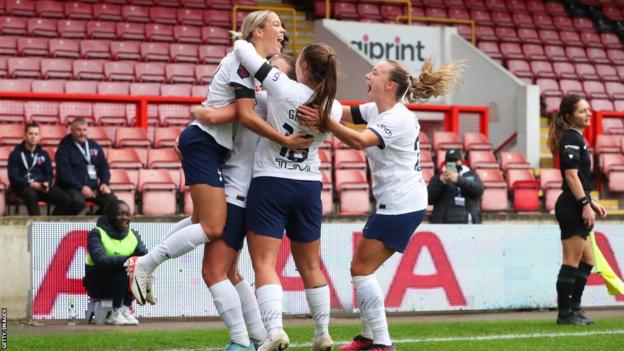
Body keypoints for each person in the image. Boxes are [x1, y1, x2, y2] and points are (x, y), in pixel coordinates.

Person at [124, 11, 310, 351]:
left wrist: (209, 113)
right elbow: (241, 112)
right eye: (277, 24)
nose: (283, 30)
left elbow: (239, 112)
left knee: (211, 240)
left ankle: (251, 339)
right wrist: (209, 116)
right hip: (215, 155)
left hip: (227, 168)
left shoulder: (267, 88)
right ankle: (146, 265)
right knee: (214, 245)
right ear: (257, 32)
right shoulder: (250, 73)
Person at [299, 58, 462, 351]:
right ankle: (370, 337)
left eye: (375, 72)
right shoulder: (377, 109)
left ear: (390, 85)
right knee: (362, 268)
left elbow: (360, 141)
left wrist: (325, 122)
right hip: (397, 201)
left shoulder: (396, 118)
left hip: (402, 203)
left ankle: (382, 343)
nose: (367, 75)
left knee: (361, 268)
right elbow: (344, 112)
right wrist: (307, 91)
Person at [232, 38, 342, 351]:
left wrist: (249, 35)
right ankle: (322, 335)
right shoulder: (331, 105)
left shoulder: (284, 87)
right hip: (308, 186)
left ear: (303, 66)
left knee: (265, 264)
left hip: (271, 182)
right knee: (311, 266)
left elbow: (243, 50)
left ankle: (275, 332)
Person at [191, 53, 297, 351]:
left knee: (214, 271)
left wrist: (198, 122)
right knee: (232, 272)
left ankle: (240, 341)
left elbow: (213, 116)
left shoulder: (257, 102)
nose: (264, 74)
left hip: (237, 193)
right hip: (256, 193)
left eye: (273, 71)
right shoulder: (288, 106)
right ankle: (260, 335)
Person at [547, 94, 607, 325]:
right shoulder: (571, 138)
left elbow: (578, 178)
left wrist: (591, 202)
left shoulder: (577, 137)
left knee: (587, 261)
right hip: (572, 206)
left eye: (588, 110)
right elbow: (571, 176)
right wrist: (584, 205)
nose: (588, 114)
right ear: (568, 117)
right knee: (571, 260)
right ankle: (564, 314)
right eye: (582, 111)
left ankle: (575, 308)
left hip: (577, 202)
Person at [83, 200, 147, 326]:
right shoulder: (96, 234)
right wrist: (127, 260)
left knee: (135, 268)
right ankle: (115, 311)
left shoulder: (132, 234)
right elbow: (100, 260)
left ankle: (125, 309)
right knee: (124, 268)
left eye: (127, 214)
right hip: (98, 282)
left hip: (121, 281)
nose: (125, 218)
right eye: (120, 214)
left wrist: (134, 262)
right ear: (110, 216)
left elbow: (144, 256)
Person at [55, 118, 117, 215]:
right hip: (72, 188)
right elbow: (64, 174)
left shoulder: (93, 145)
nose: (82, 133)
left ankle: (93, 221)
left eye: (84, 130)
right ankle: (61, 225)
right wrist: (81, 188)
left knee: (112, 202)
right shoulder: (64, 147)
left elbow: (104, 166)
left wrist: (104, 183)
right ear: (72, 130)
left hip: (93, 187)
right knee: (78, 202)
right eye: (79, 130)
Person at [7, 123, 71, 215]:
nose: (33, 136)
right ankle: (37, 226)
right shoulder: (16, 154)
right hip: (23, 187)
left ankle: (52, 224)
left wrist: (46, 183)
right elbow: (13, 177)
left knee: (65, 199)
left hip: (41, 187)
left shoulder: (43, 153)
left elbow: (49, 173)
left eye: (36, 134)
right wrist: (30, 183)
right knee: (31, 195)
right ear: (25, 135)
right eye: (30, 133)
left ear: (39, 136)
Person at [427, 148, 484, 224]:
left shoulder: (471, 175)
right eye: (450, 161)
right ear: (446, 163)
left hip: (468, 221)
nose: (453, 163)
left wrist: (459, 180)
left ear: (461, 161)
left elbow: (479, 191)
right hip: (444, 223)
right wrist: (440, 182)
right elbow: (429, 199)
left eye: (455, 160)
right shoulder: (438, 177)